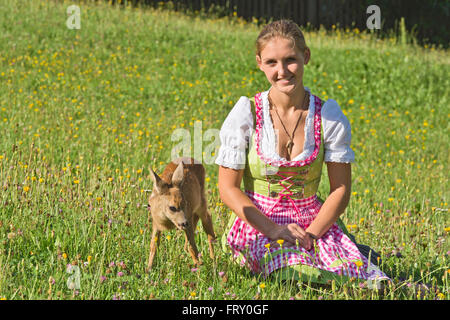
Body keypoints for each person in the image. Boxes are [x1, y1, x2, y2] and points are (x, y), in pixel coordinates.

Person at [215, 19, 389, 287]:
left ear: (306, 57)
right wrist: (273, 230)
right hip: (258, 222)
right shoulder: (246, 113)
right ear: (259, 62)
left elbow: (340, 190)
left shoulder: (327, 116)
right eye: (272, 62)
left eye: (290, 60)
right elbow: (228, 188)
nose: (282, 71)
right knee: (292, 269)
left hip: (313, 222)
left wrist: (311, 235)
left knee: (355, 273)